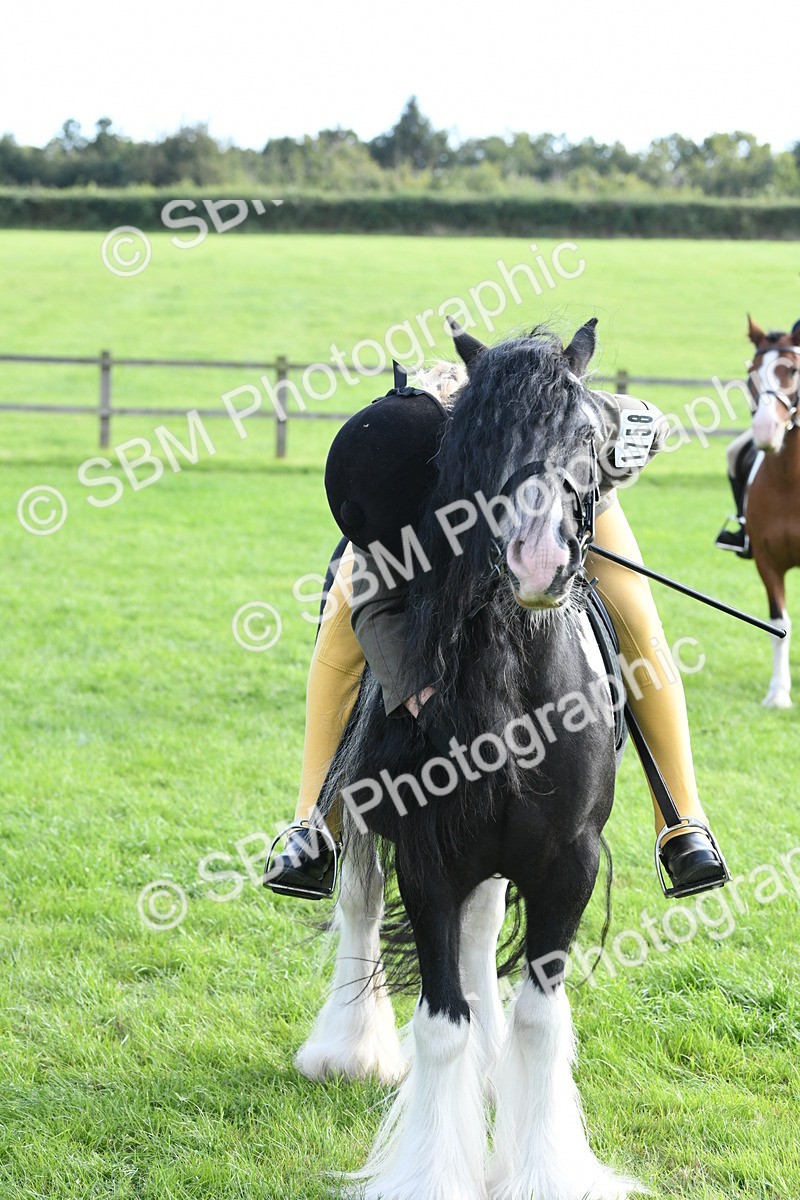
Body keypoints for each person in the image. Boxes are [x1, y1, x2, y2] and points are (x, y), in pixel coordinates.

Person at [266, 345, 728, 902]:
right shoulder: (405, 468)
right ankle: (315, 824)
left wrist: (615, 425)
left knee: (636, 615)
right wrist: (411, 681)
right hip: (439, 506)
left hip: (570, 494)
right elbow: (375, 601)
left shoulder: (582, 415)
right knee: (340, 624)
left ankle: (682, 822)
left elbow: (649, 430)